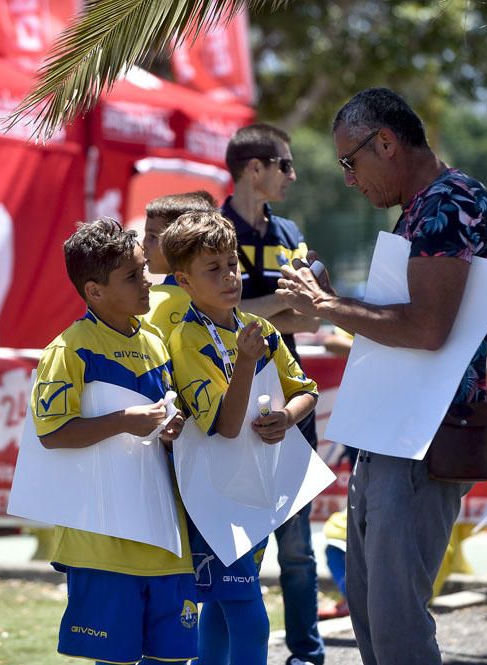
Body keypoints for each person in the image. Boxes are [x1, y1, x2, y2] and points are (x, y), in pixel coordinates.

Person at [276, 87, 487, 665]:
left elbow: (427, 329)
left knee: (396, 627)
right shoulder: (426, 207)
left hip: (419, 441)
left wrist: (327, 307)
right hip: (397, 435)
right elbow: (406, 327)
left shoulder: (449, 202)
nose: (350, 180)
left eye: (350, 162)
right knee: (377, 618)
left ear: (386, 142)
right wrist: (332, 303)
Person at [29, 219, 196, 665]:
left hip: (167, 542)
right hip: (102, 547)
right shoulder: (69, 349)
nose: (147, 282)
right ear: (94, 291)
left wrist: (173, 429)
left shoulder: (157, 342)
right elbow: (51, 434)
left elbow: (165, 425)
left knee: (173, 661)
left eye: (144, 269)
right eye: (132, 276)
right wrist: (123, 420)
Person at [160, 210, 319, 665]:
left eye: (232, 263)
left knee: (222, 611)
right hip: (213, 501)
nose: (230, 276)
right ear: (183, 281)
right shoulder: (188, 338)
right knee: (250, 616)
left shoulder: (260, 327)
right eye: (214, 269)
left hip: (255, 491)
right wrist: (247, 363)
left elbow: (306, 390)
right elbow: (226, 427)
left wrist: (287, 417)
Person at [221, 123, 324, 665]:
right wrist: (275, 310)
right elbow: (219, 315)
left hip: (291, 401)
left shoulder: (288, 232)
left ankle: (307, 655)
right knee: (235, 547)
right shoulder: (212, 231)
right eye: (285, 164)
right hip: (232, 402)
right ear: (253, 168)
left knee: (299, 550)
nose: (293, 174)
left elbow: (309, 311)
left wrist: (263, 312)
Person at [140, 190, 218, 339]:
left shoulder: (147, 304)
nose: (143, 244)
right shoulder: (223, 299)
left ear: (180, 241)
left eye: (152, 236)